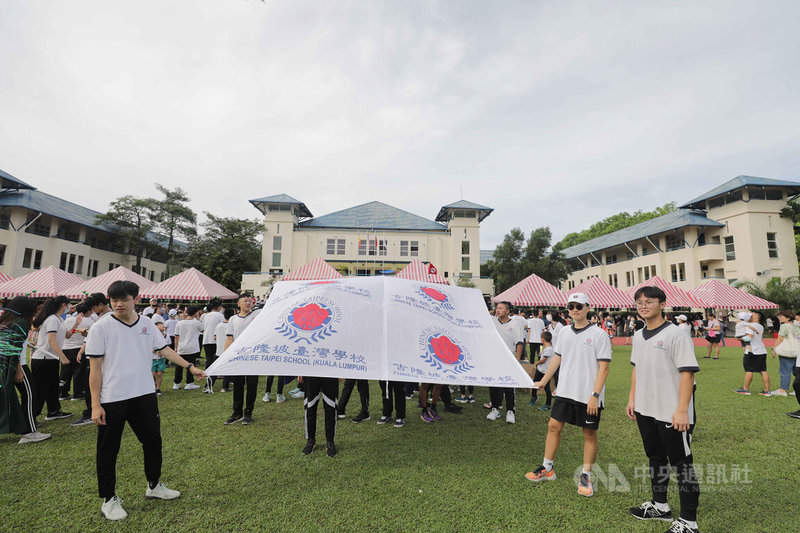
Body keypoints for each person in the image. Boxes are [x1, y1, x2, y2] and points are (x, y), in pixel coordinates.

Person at [86, 280, 206, 521]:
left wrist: (190, 366)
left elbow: (164, 349)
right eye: (114, 300)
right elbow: (95, 369)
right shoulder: (101, 327)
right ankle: (109, 499)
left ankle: (154, 485)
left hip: (144, 395)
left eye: (124, 299)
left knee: (153, 441)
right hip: (113, 398)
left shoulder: (147, 323)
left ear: (135, 299)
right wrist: (96, 404)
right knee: (109, 450)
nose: (119, 304)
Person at [626, 285, 701, 533]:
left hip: (672, 411)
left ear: (662, 303)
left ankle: (689, 522)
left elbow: (688, 373)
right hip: (646, 408)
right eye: (639, 302)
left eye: (649, 301)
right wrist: (632, 399)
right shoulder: (638, 335)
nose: (643, 305)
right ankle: (660, 506)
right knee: (656, 458)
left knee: (682, 465)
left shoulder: (676, 334)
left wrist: (682, 410)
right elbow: (636, 368)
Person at [526, 293, 611, 498]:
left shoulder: (599, 334)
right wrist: (544, 381)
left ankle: (585, 475)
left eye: (579, 306)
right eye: (571, 306)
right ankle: (548, 468)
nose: (574, 309)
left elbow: (604, 368)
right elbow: (557, 357)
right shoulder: (563, 332)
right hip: (565, 390)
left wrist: (595, 395)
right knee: (553, 426)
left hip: (589, 394)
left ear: (587, 308)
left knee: (589, 434)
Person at [1, 296, 51, 443]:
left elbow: (8, 344)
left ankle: (27, 428)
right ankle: (29, 432)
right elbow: (13, 350)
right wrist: (18, 371)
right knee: (30, 396)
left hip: (4, 366)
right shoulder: (21, 322)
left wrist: (25, 344)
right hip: (18, 366)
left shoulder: (6, 321)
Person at [70, 293, 113, 428]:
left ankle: (90, 413)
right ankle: (91, 411)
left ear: (101, 304)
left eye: (93, 307)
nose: (92, 310)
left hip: (100, 356)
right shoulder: (101, 317)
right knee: (91, 385)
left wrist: (88, 331)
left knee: (93, 386)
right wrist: (83, 348)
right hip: (93, 353)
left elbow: (105, 335)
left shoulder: (109, 318)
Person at [30, 296, 72, 421]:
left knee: (52, 386)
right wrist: (63, 357)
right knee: (40, 389)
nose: (69, 308)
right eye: (69, 305)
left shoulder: (57, 319)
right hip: (43, 359)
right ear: (64, 305)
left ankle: (53, 411)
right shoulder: (52, 319)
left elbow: (65, 335)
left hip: (51, 359)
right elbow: (51, 340)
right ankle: (31, 418)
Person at [224, 295, 260, 425]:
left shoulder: (257, 315)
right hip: (237, 357)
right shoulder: (233, 319)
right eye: (245, 301)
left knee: (251, 385)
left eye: (250, 301)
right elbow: (229, 338)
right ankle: (237, 412)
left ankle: (248, 413)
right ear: (238, 304)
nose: (248, 303)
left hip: (253, 356)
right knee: (238, 385)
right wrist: (225, 355)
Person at [487, 301, 524, 424]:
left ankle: (510, 411)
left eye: (501, 308)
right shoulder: (492, 322)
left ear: (507, 311)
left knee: (508, 386)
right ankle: (495, 409)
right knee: (494, 386)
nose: (498, 310)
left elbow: (519, 343)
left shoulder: (515, 324)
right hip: (494, 359)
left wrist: (517, 360)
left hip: (509, 360)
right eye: (497, 308)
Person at [59, 303, 94, 400]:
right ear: (87, 312)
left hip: (66, 348)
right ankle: (77, 393)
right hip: (80, 348)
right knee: (79, 372)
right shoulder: (89, 321)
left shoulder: (67, 320)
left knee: (65, 371)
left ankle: (62, 392)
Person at [733, 311, 772, 396]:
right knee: (763, 370)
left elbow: (748, 338)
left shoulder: (750, 326)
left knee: (749, 370)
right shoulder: (760, 326)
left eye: (752, 314)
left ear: (757, 316)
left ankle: (745, 389)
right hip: (762, 350)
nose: (749, 315)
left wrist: (740, 339)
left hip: (752, 351)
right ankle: (767, 390)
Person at [301, 375, 339, 457]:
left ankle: (330, 442)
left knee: (331, 407)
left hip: (330, 372)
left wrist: (341, 372)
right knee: (310, 406)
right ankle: (310, 440)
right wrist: (300, 371)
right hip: (310, 373)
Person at [172, 306, 203, 391]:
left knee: (179, 366)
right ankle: (189, 383)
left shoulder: (180, 323)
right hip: (193, 348)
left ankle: (176, 383)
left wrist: (176, 347)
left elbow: (176, 337)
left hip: (181, 348)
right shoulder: (197, 323)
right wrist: (197, 318)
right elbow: (202, 330)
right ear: (195, 313)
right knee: (191, 365)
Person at [771, 310, 798, 397]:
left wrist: (774, 348)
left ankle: (782, 390)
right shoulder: (796, 326)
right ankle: (797, 389)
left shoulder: (784, 326)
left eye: (781, 316)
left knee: (785, 371)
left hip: (786, 352)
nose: (779, 318)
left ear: (788, 318)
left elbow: (780, 338)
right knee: (797, 372)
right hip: (797, 352)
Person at [208, 308, 235, 393]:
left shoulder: (219, 325)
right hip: (228, 350)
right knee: (228, 369)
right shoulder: (232, 326)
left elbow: (215, 337)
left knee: (215, 370)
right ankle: (225, 387)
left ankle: (208, 386)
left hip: (218, 350)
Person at [200, 299, 225, 379]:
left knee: (209, 358)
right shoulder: (220, 315)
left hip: (206, 339)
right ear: (218, 307)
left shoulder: (206, 315)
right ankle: (218, 373)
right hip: (216, 339)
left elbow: (202, 327)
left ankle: (207, 373)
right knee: (217, 357)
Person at [530, 331, 554, 410]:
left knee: (547, 388)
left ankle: (548, 405)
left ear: (543, 340)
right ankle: (534, 397)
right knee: (535, 383)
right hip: (540, 370)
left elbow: (543, 360)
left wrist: (537, 362)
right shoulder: (547, 349)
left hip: (545, 372)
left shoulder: (549, 349)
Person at [152, 320, 168, 395]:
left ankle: (158, 389)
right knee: (152, 374)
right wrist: (155, 351)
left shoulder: (167, 337)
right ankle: (153, 387)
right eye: (160, 325)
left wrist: (163, 353)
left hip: (161, 359)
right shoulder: (151, 337)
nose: (162, 326)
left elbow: (168, 347)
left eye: (162, 324)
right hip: (152, 359)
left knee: (159, 374)